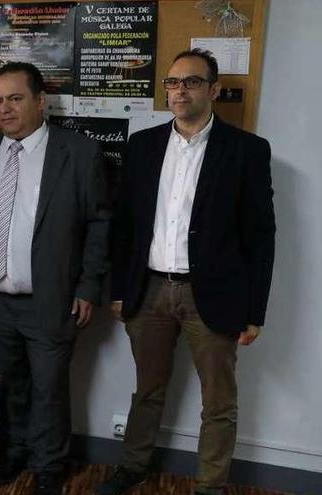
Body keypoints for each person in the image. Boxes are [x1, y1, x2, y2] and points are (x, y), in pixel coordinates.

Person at [96, 49, 275, 495]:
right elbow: (125, 227)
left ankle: (211, 485)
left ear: (214, 90)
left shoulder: (246, 150)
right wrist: (120, 289)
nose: (179, 91)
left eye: (191, 82)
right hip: (150, 289)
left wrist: (255, 311)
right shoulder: (144, 145)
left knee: (218, 401)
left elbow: (260, 236)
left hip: (212, 295)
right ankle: (133, 465)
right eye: (172, 83)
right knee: (147, 389)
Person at [0, 61, 111, 495]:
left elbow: (100, 223)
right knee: (8, 382)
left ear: (41, 101)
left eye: (15, 99)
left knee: (49, 388)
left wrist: (88, 287)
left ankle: (49, 466)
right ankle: (14, 449)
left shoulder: (78, 153)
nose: (5, 110)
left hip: (51, 296)